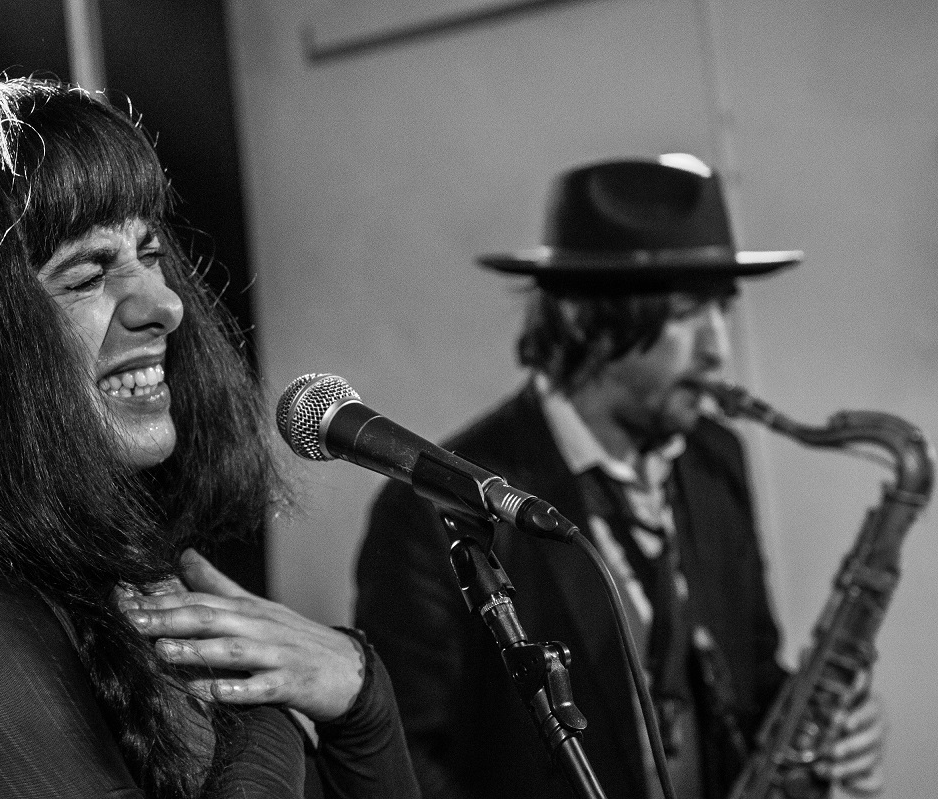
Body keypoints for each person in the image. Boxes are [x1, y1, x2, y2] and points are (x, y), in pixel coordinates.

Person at [0, 77, 419, 799]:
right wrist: (261, 712)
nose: (165, 304)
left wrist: (359, 698)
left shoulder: (84, 589)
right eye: (87, 275)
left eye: (149, 253)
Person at [355, 154, 886, 799]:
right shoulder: (431, 508)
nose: (719, 349)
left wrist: (824, 728)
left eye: (722, 310)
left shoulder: (716, 457)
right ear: (587, 320)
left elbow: (747, 675)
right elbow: (407, 763)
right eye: (687, 312)